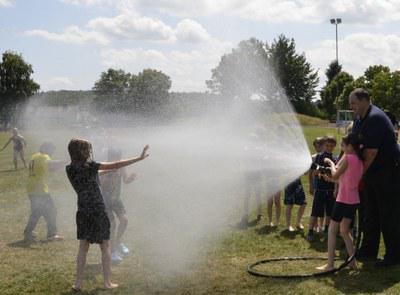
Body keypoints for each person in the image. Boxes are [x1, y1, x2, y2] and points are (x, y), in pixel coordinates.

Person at [66, 139, 149, 291]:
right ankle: (107, 283)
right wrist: (139, 158)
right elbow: (115, 165)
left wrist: (108, 170)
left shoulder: (70, 169)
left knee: (83, 247)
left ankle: (77, 284)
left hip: (83, 210)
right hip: (98, 210)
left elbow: (98, 172)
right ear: (80, 152)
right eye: (86, 150)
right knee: (105, 246)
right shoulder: (91, 166)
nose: (89, 153)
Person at [350, 88, 400, 267]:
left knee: (389, 214)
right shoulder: (359, 119)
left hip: (388, 171)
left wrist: (358, 175)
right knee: (370, 212)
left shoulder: (375, 118)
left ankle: (394, 256)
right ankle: (369, 250)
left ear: (365, 100)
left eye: (354, 103)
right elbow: (353, 145)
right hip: (372, 172)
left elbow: (370, 153)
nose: (352, 106)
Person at [316, 133, 363, 271]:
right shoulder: (359, 160)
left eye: (343, 145)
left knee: (332, 230)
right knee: (344, 231)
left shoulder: (348, 158)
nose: (342, 148)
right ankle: (352, 262)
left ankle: (330, 265)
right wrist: (330, 178)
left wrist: (330, 163)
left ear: (350, 146)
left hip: (343, 200)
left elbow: (335, 174)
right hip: (354, 200)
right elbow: (340, 179)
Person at [100, 148, 137, 263]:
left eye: (119, 157)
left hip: (116, 199)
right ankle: (112, 252)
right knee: (112, 225)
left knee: (124, 220)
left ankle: (118, 242)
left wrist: (130, 178)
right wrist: (108, 177)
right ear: (110, 157)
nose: (117, 159)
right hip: (105, 200)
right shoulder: (104, 166)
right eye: (115, 157)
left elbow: (125, 180)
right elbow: (100, 183)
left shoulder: (121, 166)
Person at [23, 142, 64, 242]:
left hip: (31, 187)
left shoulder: (34, 156)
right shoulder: (44, 156)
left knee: (37, 212)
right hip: (39, 189)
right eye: (51, 151)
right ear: (46, 149)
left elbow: (50, 169)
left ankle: (28, 232)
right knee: (51, 211)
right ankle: (52, 234)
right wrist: (66, 161)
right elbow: (51, 166)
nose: (51, 154)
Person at [307, 136, 337, 242]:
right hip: (320, 189)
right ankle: (310, 231)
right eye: (327, 145)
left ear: (334, 146)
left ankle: (326, 229)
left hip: (330, 190)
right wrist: (320, 174)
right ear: (323, 145)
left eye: (331, 146)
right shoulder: (320, 156)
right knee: (315, 211)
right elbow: (315, 171)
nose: (329, 148)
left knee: (329, 211)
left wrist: (330, 178)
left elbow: (335, 173)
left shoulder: (334, 159)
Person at [308, 137, 325, 232]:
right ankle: (314, 226)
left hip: (325, 185)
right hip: (316, 184)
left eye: (319, 147)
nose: (317, 149)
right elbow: (310, 174)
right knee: (316, 206)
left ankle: (321, 226)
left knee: (323, 207)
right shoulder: (313, 157)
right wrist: (311, 185)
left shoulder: (326, 156)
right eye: (316, 147)